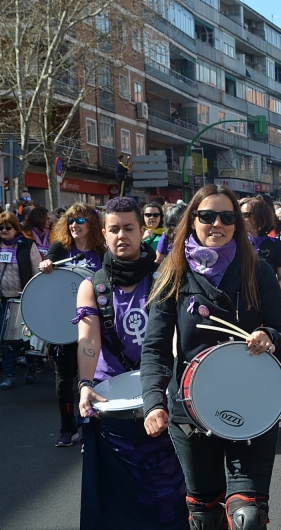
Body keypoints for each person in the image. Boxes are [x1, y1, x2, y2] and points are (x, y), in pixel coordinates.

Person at [140, 185, 281, 530]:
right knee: (205, 516)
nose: (217, 224)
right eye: (207, 216)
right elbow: (155, 348)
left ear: (237, 224)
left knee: (248, 517)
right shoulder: (173, 274)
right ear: (192, 221)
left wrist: (269, 337)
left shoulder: (258, 271)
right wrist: (154, 402)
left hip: (253, 408)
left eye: (227, 217)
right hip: (191, 413)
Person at [72, 197, 188, 529]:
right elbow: (89, 341)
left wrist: (172, 386)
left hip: (161, 395)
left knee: (171, 487)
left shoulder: (166, 277)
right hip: (114, 404)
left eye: (128, 228)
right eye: (114, 229)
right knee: (121, 495)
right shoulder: (91, 286)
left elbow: (177, 338)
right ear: (104, 234)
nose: (121, 235)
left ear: (142, 230)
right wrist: (84, 385)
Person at [39, 204, 105, 447]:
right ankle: (67, 427)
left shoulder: (102, 252)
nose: (74, 225)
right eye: (70, 221)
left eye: (80, 220)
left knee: (92, 378)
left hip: (94, 325)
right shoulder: (59, 249)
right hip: (62, 325)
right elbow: (44, 278)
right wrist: (46, 265)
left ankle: (90, 428)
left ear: (91, 224)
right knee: (64, 379)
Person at [0, 212, 44, 389]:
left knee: (28, 337)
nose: (4, 230)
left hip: (25, 297)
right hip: (4, 300)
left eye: (8, 227)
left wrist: (36, 296)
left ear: (16, 229)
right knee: (5, 338)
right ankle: (9, 374)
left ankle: (31, 367)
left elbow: (37, 271)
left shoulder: (27, 245)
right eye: (1, 228)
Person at [240, 197, 281, 291]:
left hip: (265, 301)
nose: (242, 218)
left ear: (259, 216)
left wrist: (268, 294)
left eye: (246, 214)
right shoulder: (235, 242)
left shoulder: (275, 245)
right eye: (240, 214)